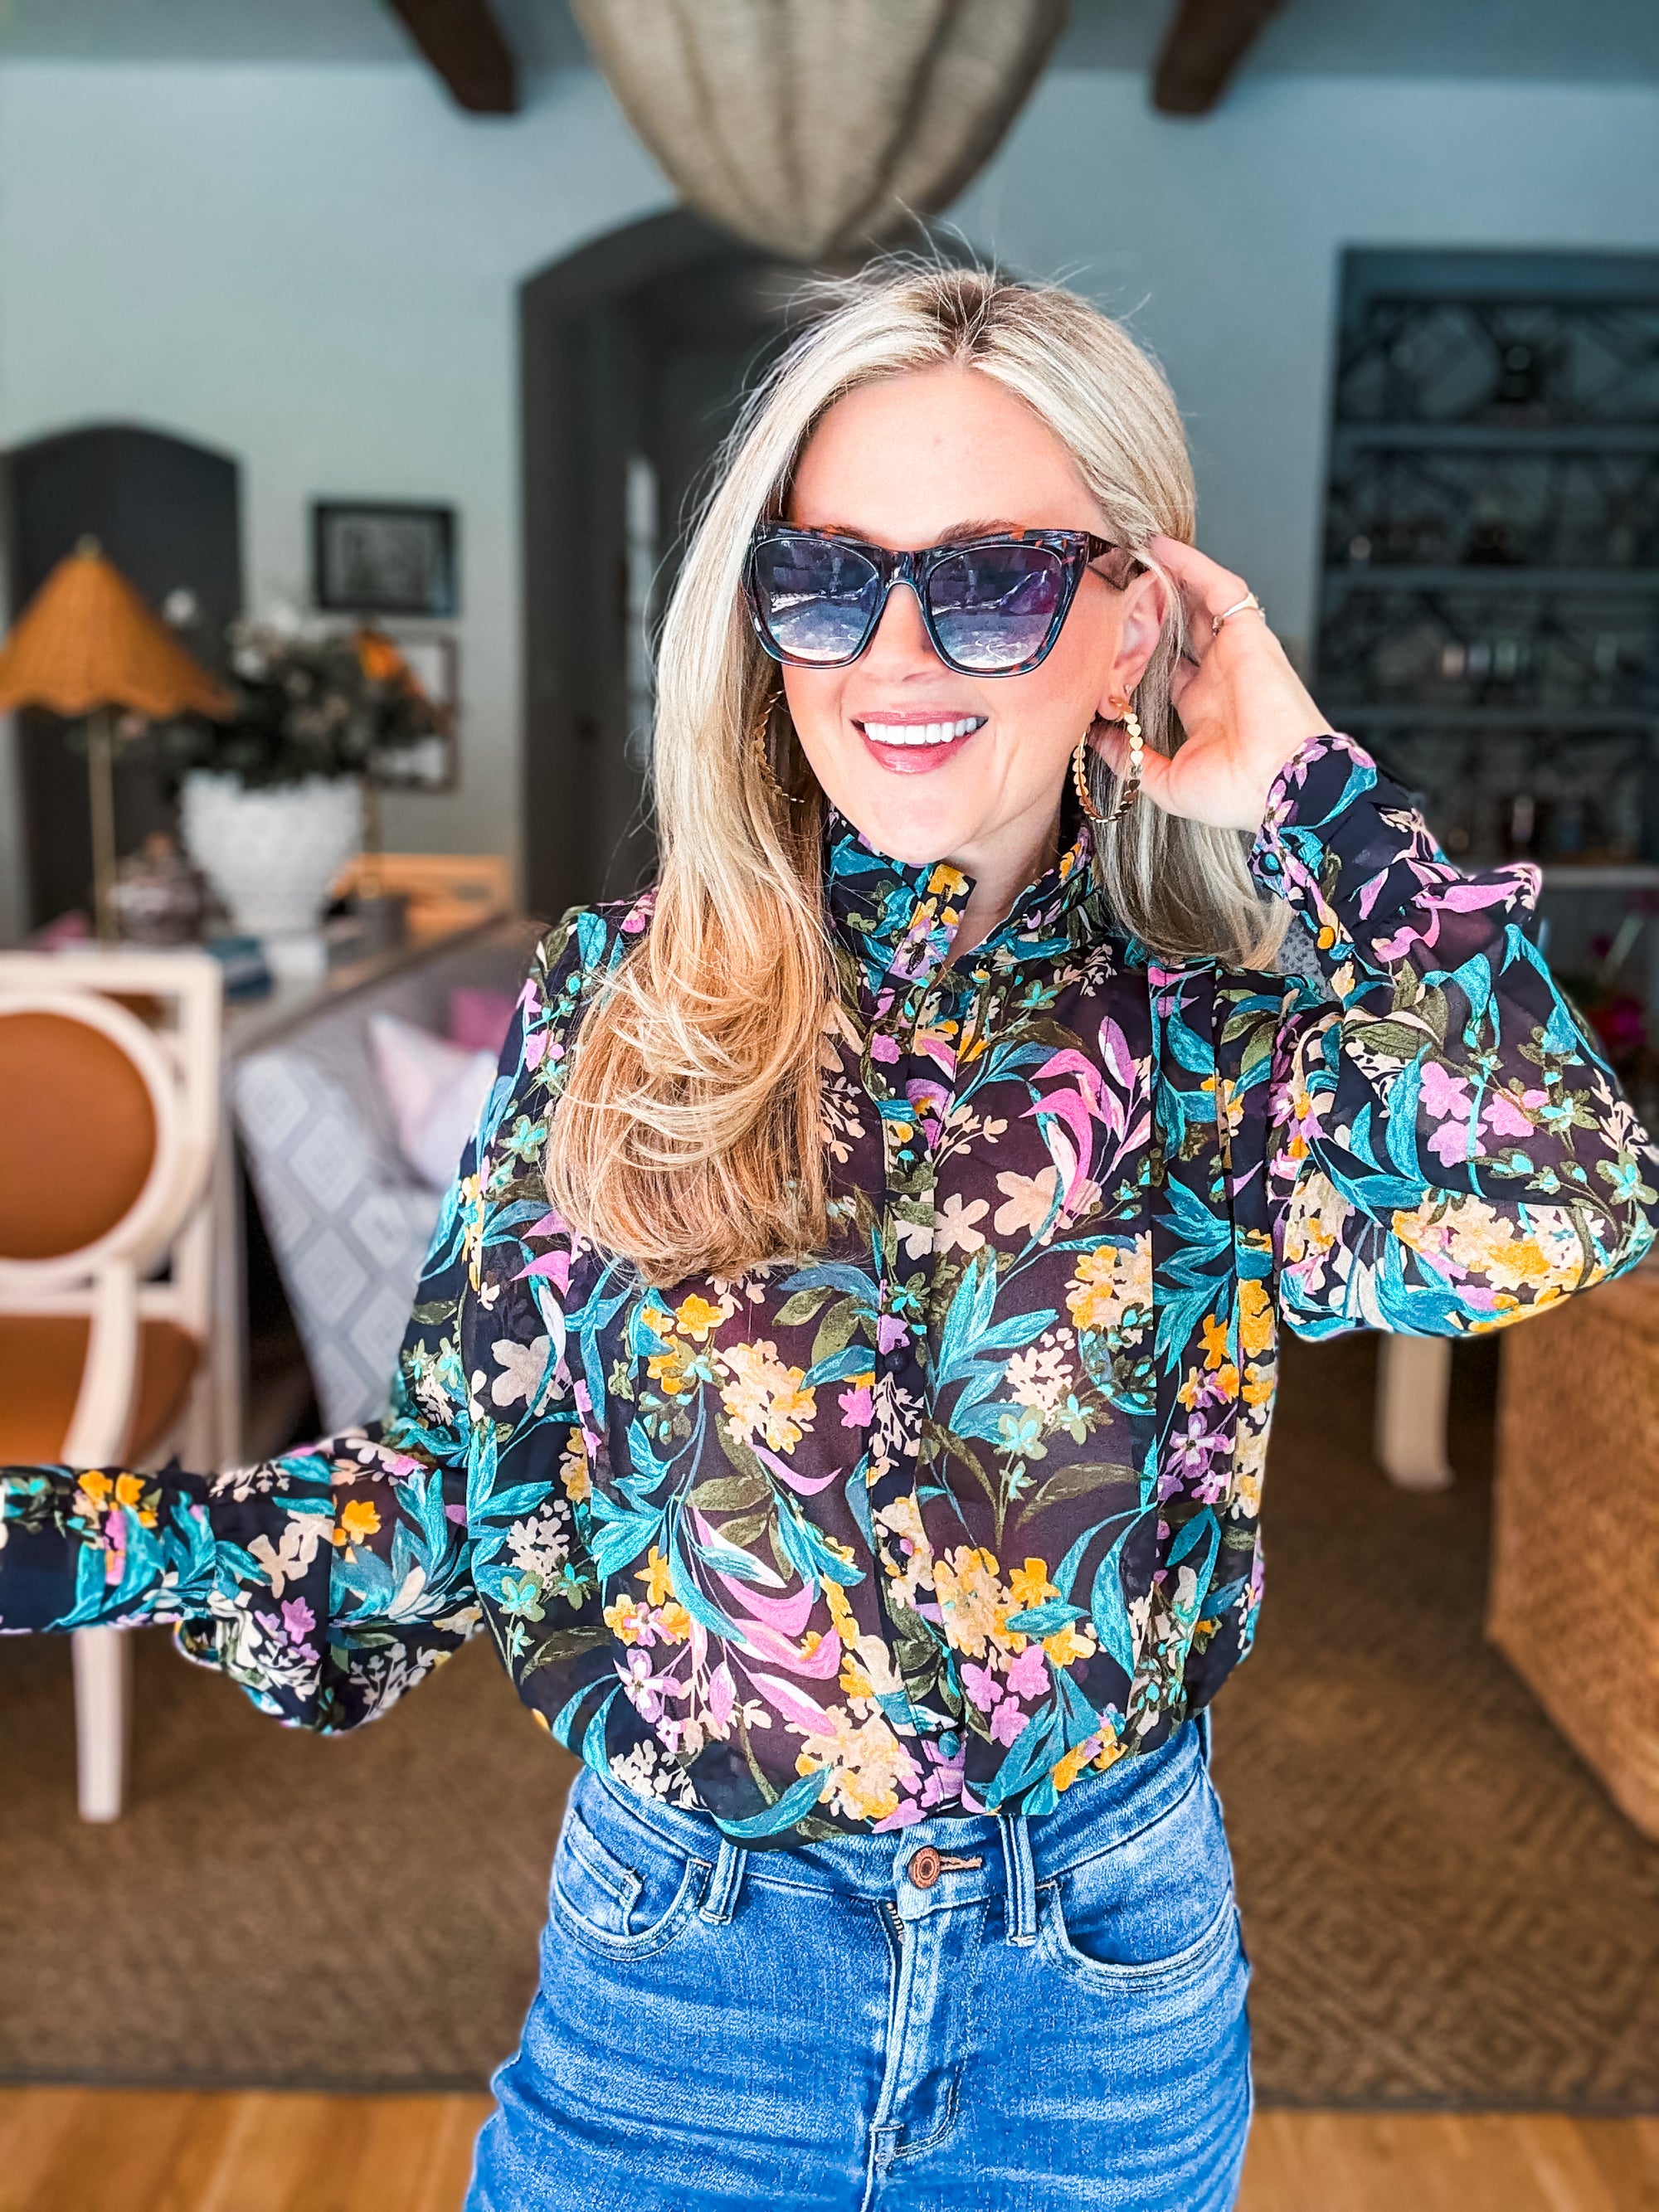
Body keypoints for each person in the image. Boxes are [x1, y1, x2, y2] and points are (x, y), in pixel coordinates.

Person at [4, 264, 1655, 2212]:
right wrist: (70, 1540)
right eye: (826, 577)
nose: (895, 650)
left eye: (993, 580)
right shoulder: (614, 1005)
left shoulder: (1219, 1051)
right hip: (677, 1989)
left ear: (1131, 619)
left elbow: (1566, 1195)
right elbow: (459, 1493)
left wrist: (1309, 788)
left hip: (1094, 2007)